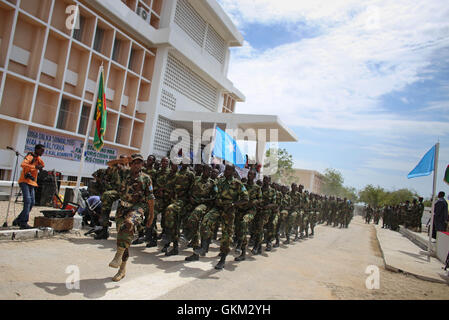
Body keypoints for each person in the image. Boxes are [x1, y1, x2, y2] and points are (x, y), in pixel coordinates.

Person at [108, 154, 154, 282]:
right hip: (122, 208)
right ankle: (122, 269)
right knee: (125, 239)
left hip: (137, 208)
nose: (136, 165)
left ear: (142, 165)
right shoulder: (124, 173)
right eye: (134, 162)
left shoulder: (146, 179)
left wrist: (151, 215)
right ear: (130, 164)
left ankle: (117, 256)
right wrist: (122, 160)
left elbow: (150, 198)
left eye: (139, 162)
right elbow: (109, 164)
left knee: (128, 224)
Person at [13, 144, 45, 229]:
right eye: (41, 150)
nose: (42, 152)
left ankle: (18, 220)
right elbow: (23, 165)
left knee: (32, 203)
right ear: (37, 150)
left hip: (32, 183)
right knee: (27, 201)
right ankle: (23, 223)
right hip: (25, 181)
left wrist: (38, 164)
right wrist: (34, 166)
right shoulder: (30, 156)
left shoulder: (37, 158)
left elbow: (42, 164)